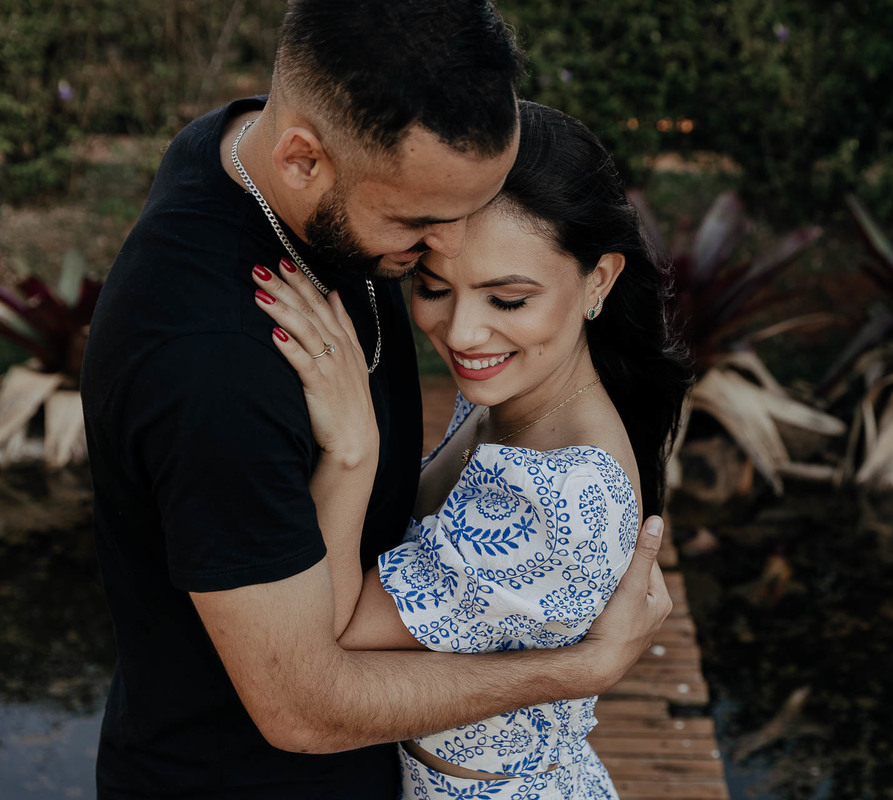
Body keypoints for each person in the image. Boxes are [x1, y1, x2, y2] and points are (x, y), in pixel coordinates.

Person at [79, 3, 672, 799]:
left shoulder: (246, 155)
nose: (449, 245)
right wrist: (583, 668)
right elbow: (303, 706)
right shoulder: (213, 369)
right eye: (421, 225)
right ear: (300, 159)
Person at [252, 100, 693, 797]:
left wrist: (351, 450)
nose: (461, 334)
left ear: (599, 280)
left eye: (507, 300)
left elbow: (328, 638)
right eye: (432, 288)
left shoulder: (559, 497)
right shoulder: (510, 401)